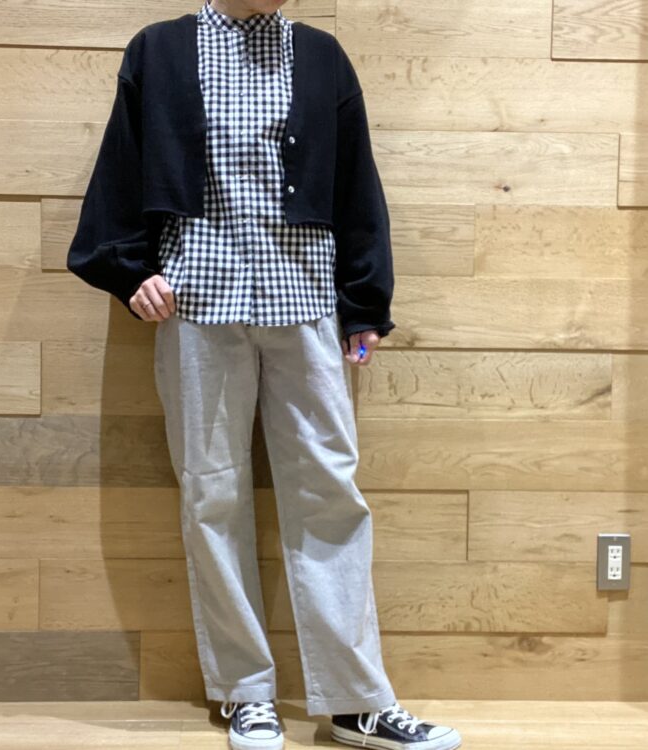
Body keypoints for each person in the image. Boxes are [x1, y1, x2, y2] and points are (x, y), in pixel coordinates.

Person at [67, 1, 463, 749]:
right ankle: (245, 691)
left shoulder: (322, 56)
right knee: (212, 493)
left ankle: (355, 702)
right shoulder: (161, 50)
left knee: (330, 492)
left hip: (305, 300)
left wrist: (364, 302)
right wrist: (129, 272)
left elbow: (356, 183)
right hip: (197, 302)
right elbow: (121, 169)